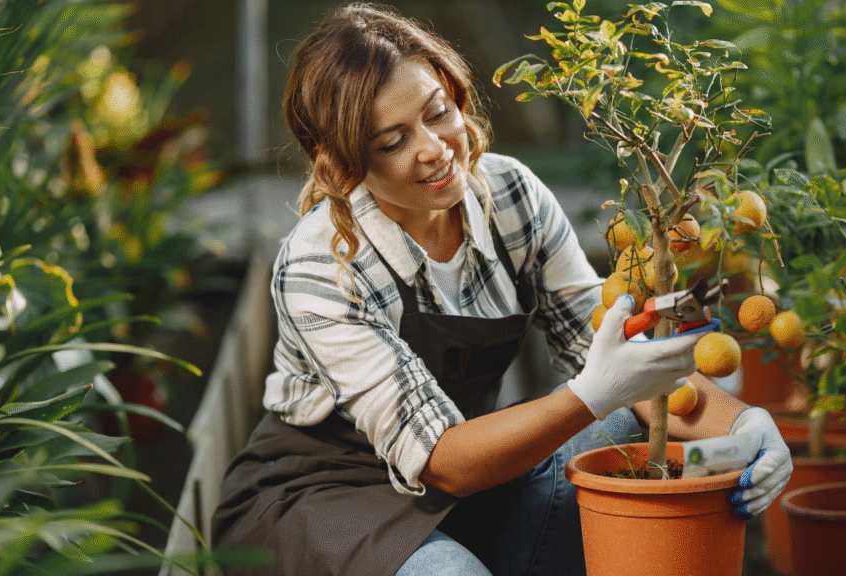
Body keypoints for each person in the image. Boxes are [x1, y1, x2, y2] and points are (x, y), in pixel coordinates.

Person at [211, 4, 793, 576]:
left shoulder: (511, 197)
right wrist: (592, 392)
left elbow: (611, 350)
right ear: (340, 163)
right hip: (327, 496)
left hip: (459, 484)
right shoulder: (322, 265)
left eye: (438, 113)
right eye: (392, 142)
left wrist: (742, 426)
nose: (435, 148)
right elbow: (443, 460)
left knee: (621, 427)